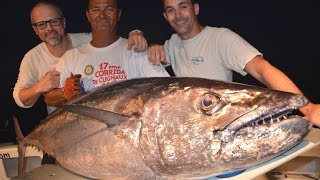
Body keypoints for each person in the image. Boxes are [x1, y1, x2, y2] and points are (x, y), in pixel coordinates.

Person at [147, 0, 320, 127]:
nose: (177, 16)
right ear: (165, 16)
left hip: (224, 129)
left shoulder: (221, 38)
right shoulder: (172, 44)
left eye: (183, 7)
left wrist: (307, 107)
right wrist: (139, 35)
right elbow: (150, 54)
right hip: (192, 131)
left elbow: (262, 70)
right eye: (171, 10)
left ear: (196, 9)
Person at [13, 0, 148, 114]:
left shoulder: (86, 40)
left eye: (54, 21)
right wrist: (42, 87)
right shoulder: (32, 58)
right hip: (62, 125)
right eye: (42, 24)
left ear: (63, 23)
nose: (49, 28)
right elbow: (21, 99)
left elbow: (109, 34)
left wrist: (135, 33)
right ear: (36, 30)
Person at [43, 0, 169, 106]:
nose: (102, 15)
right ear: (88, 15)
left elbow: (167, 90)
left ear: (118, 14)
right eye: (96, 10)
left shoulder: (137, 50)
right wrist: (64, 93)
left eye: (109, 9)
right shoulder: (71, 57)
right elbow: (48, 98)